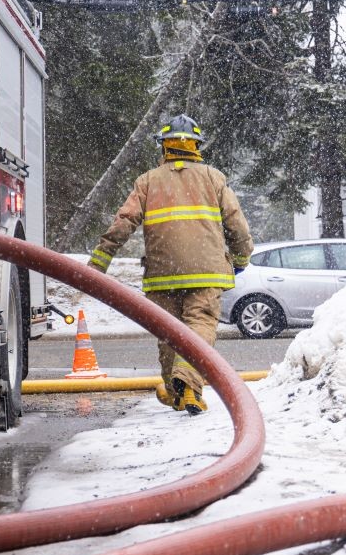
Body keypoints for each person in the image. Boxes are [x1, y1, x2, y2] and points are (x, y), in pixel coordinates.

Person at [87, 115, 253, 415]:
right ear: (196, 147)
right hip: (206, 272)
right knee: (199, 325)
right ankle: (187, 387)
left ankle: (177, 391)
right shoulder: (213, 177)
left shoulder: (148, 180)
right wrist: (241, 258)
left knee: (168, 333)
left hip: (163, 273)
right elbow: (236, 225)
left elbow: (123, 222)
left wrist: (98, 263)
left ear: (165, 148)